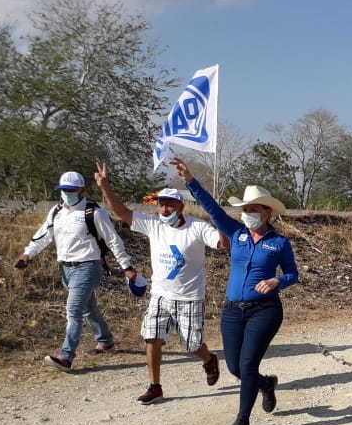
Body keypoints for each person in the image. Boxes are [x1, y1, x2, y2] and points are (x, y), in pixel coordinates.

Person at [173, 157, 299, 425]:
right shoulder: (237, 233)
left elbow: (293, 274)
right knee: (233, 366)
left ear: (267, 212)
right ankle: (266, 384)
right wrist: (190, 181)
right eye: (245, 210)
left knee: (247, 365)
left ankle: (243, 421)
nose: (248, 214)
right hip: (232, 310)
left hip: (264, 310)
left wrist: (278, 280)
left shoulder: (278, 242)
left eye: (253, 210)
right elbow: (211, 208)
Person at [93, 163, 223, 405]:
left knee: (191, 343)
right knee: (151, 337)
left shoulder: (197, 227)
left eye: (169, 204)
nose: (164, 209)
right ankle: (155, 386)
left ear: (181, 207)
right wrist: (105, 186)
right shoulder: (153, 224)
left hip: (190, 296)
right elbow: (121, 212)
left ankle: (208, 360)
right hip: (161, 295)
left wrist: (222, 221)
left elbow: (222, 244)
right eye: (161, 204)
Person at [16, 171, 136, 372]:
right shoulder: (56, 212)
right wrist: (28, 254)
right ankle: (106, 341)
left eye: (71, 190)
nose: (67, 193)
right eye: (64, 189)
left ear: (82, 190)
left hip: (88, 267)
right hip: (66, 268)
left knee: (73, 311)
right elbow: (44, 235)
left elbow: (113, 240)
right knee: (88, 308)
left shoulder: (94, 213)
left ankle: (66, 356)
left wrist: (127, 267)